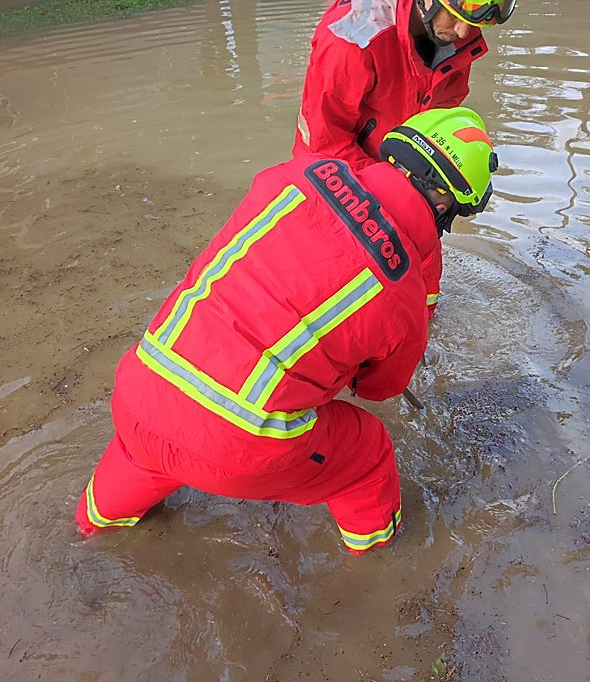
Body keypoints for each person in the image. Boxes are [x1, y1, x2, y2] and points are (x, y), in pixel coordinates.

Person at [75, 107, 499, 556]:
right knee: (368, 451)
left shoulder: (295, 175)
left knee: (144, 445)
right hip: (238, 447)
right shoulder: (404, 293)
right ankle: (377, 565)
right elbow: (379, 388)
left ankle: (92, 526)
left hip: (140, 389)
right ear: (443, 204)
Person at [293, 0, 519, 172]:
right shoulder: (352, 39)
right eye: (455, 16)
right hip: (336, 181)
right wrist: (397, 187)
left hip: (397, 171)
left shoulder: (459, 26)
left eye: (474, 18)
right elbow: (323, 148)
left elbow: (442, 113)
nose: (463, 32)